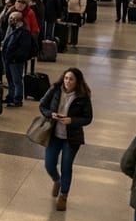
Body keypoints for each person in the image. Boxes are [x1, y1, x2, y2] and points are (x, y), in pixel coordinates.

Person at [38, 68, 94, 211]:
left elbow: (87, 118)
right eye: (66, 78)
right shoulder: (55, 89)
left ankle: (63, 195)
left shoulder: (83, 96)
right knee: (49, 164)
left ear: (77, 82)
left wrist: (72, 120)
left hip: (71, 138)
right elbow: (42, 105)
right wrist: (51, 114)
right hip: (54, 134)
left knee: (66, 166)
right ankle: (57, 180)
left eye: (71, 79)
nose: (67, 82)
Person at [0, 12, 30, 108]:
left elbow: (24, 49)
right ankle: (11, 96)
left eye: (12, 18)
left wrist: (15, 58)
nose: (10, 20)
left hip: (15, 61)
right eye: (10, 18)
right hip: (8, 59)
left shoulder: (24, 32)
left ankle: (17, 99)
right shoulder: (11, 29)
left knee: (17, 80)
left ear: (18, 20)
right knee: (10, 80)